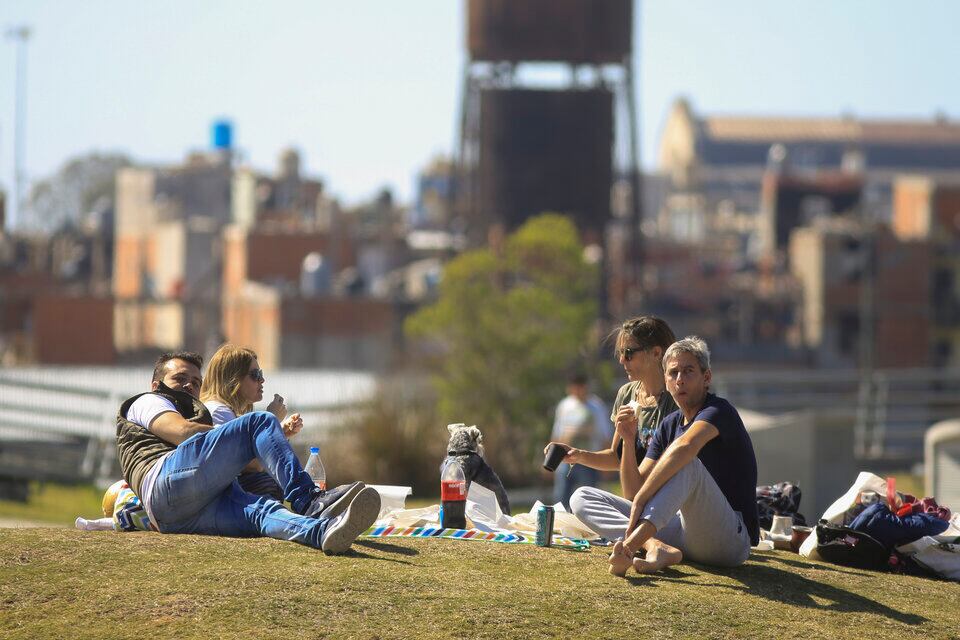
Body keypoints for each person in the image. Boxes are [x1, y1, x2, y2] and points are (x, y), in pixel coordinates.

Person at [115, 351, 380, 554]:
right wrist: (243, 438)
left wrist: (239, 443)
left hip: (176, 518)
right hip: (165, 481)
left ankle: (323, 532)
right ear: (156, 384)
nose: (189, 386)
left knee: (261, 511)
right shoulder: (148, 401)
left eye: (196, 382)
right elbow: (182, 432)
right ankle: (310, 501)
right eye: (179, 379)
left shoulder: (199, 410)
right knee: (260, 422)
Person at [600, 337, 759, 576]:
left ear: (707, 378)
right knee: (583, 496)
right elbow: (633, 491)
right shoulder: (669, 424)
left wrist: (643, 498)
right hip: (683, 532)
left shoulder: (719, 411)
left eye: (688, 372)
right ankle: (655, 546)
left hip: (728, 540)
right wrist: (629, 440)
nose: (680, 380)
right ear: (665, 380)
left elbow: (685, 446)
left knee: (689, 465)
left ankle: (629, 548)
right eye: (673, 373)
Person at [545, 316, 678, 518]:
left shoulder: (676, 401)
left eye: (629, 353)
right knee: (579, 497)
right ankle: (642, 537)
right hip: (636, 503)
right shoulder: (626, 394)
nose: (621, 359)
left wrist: (628, 438)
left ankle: (643, 538)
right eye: (620, 353)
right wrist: (577, 454)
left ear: (656, 353)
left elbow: (642, 486)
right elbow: (616, 457)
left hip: (666, 504)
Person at [200, 344, 304, 499]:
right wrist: (270, 420)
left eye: (261, 373)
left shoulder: (225, 410)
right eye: (255, 374)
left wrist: (281, 432)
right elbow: (253, 465)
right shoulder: (218, 411)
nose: (262, 380)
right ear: (233, 379)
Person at [549, 372, 613, 510]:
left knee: (588, 500)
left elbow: (605, 435)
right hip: (565, 460)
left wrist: (606, 465)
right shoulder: (564, 406)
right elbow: (557, 434)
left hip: (588, 460)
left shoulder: (596, 406)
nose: (577, 391)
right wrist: (551, 460)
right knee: (561, 499)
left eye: (580, 386)